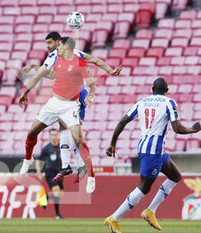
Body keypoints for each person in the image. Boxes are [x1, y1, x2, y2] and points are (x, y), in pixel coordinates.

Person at [20, 32, 122, 193]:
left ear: (63, 45)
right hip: (54, 103)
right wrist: (30, 81)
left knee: (79, 140)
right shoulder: (56, 59)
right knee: (33, 131)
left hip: (71, 105)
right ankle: (28, 159)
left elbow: (92, 77)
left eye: (54, 44)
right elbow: (49, 74)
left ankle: (90, 176)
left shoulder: (79, 61)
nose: (51, 47)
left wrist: (92, 92)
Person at [105, 77, 201, 233]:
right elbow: (177, 129)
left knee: (175, 176)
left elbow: (122, 121)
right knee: (144, 188)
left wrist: (112, 143)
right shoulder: (169, 103)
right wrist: (194, 129)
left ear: (152, 89)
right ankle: (113, 219)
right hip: (153, 151)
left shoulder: (141, 102)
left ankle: (150, 211)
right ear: (166, 90)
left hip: (149, 147)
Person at [35, 129, 64, 219]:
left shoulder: (61, 147)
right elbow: (38, 160)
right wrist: (39, 172)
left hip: (60, 172)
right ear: (49, 136)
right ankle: (58, 214)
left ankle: (46, 198)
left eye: (55, 135)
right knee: (56, 191)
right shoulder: (47, 148)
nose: (54, 136)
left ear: (57, 135)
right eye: (52, 135)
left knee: (60, 195)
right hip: (50, 173)